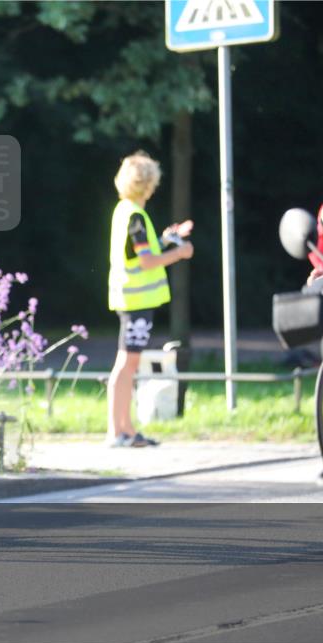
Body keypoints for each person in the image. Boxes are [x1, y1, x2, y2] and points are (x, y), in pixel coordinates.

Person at [106, 152, 194, 448]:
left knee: (126, 364)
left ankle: (122, 429)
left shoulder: (125, 211)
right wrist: (179, 253)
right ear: (148, 184)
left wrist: (168, 238)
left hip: (130, 300)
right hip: (137, 302)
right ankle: (120, 431)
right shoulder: (135, 217)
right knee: (127, 365)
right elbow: (146, 261)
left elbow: (141, 250)